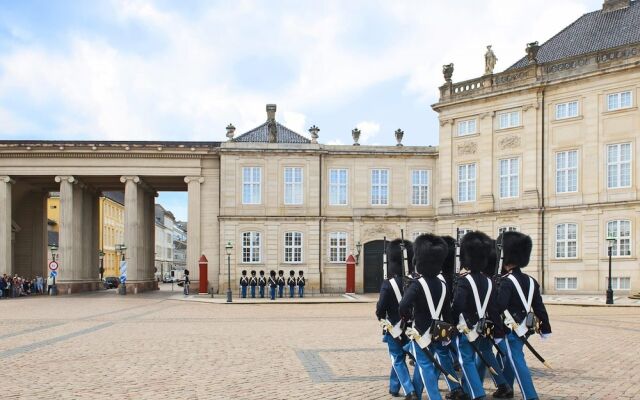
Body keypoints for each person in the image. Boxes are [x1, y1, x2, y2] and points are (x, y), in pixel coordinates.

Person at [495, 232, 551, 400]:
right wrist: (546, 328)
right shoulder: (531, 280)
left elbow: (500, 306)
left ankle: (530, 395)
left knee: (517, 361)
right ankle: (506, 388)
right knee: (507, 356)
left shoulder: (505, 281)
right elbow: (539, 307)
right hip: (525, 327)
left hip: (511, 328)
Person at [400, 234, 454, 400]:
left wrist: (408, 318)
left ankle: (434, 397)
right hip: (439, 330)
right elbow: (447, 311)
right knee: (429, 363)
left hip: (421, 330)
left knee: (425, 365)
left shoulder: (417, 284)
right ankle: (415, 391)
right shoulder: (443, 284)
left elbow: (403, 306)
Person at [452, 231, 503, 400]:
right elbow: (493, 307)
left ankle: (477, 393)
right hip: (483, 325)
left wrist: (452, 322)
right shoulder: (488, 281)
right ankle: (469, 389)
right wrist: (498, 330)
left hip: (467, 326)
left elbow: (458, 304)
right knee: (478, 357)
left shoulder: (464, 281)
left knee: (466, 360)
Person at [377, 239, 417, 400]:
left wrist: (381, 317)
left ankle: (409, 390)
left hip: (394, 326)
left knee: (397, 358)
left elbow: (380, 309)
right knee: (399, 357)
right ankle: (394, 387)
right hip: (411, 327)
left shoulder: (388, 284)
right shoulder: (415, 282)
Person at [474, 240, 513, 398]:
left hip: (485, 323)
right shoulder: (493, 280)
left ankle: (502, 383)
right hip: (492, 323)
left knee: (484, 352)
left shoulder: (487, 281)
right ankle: (479, 383)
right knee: (484, 352)